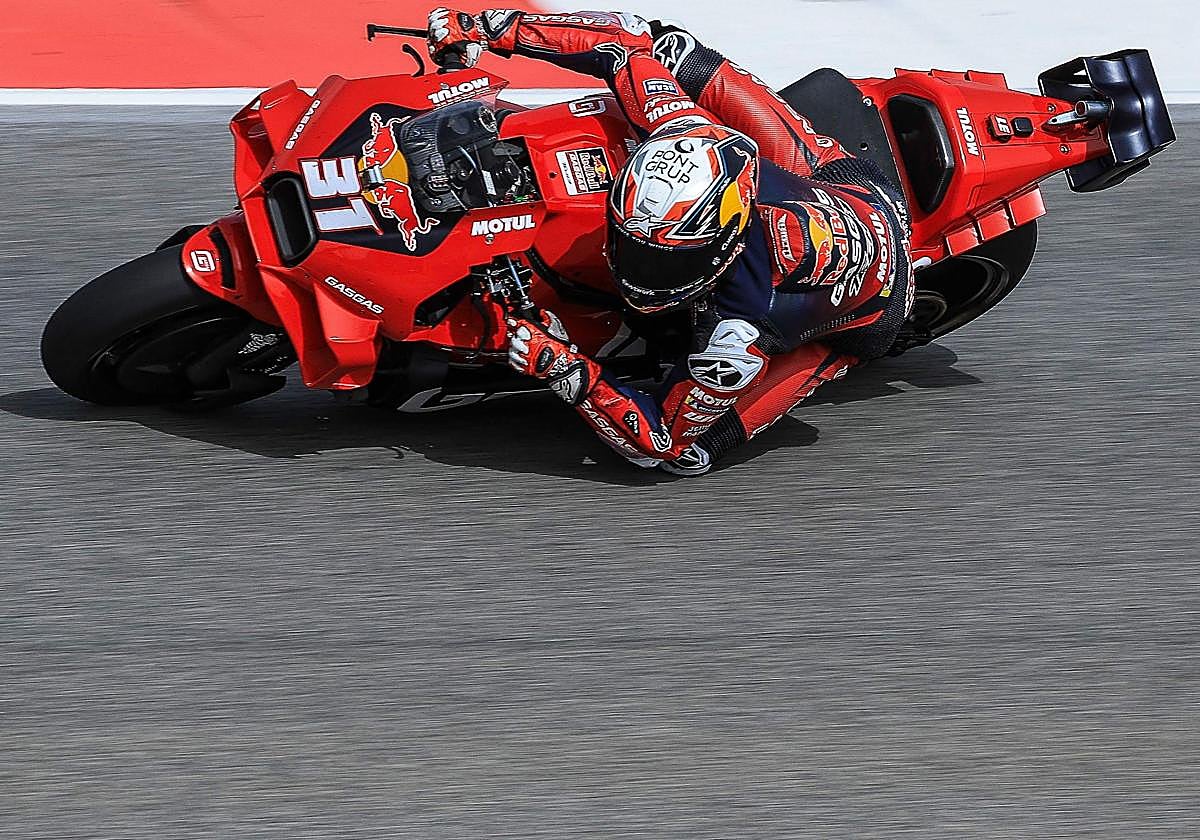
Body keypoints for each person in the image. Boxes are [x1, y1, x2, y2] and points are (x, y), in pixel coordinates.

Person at [427, 8, 913, 475]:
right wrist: (491, 28)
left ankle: (839, 352)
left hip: (876, 306)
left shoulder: (736, 335)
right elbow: (624, 42)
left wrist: (565, 368)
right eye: (630, 243)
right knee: (673, 49)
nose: (633, 268)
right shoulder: (687, 132)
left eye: (659, 262)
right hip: (844, 185)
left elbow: (658, 439)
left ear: (720, 248)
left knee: (687, 455)